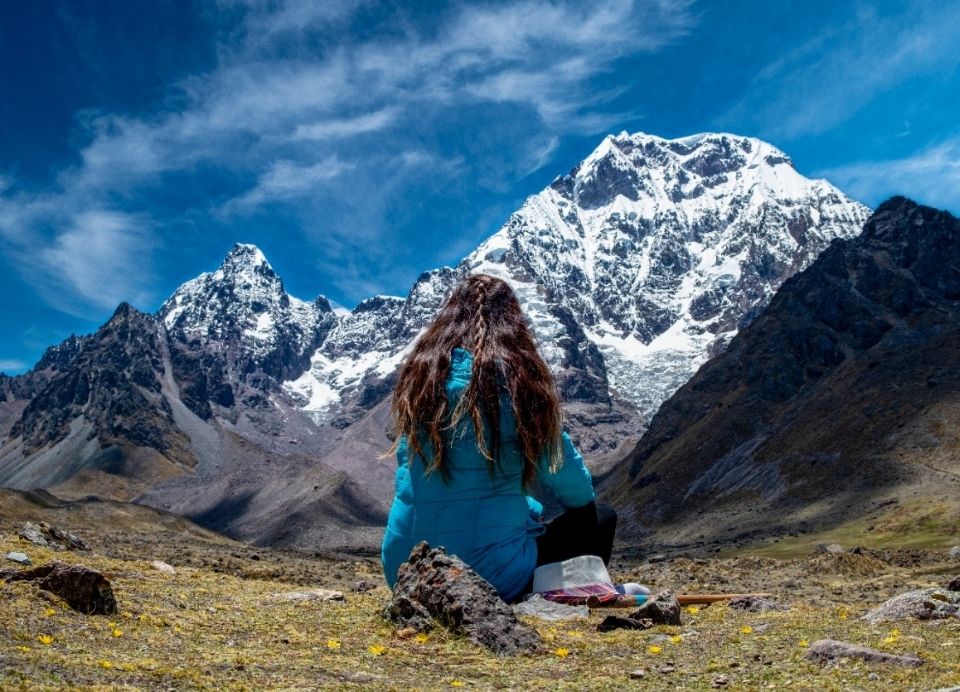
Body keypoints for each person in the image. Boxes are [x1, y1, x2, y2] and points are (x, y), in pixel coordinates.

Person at [380, 273, 617, 603]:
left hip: (406, 573)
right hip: (489, 581)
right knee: (599, 517)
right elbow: (575, 490)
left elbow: (436, 489)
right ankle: (566, 595)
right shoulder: (519, 387)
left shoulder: (421, 386)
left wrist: (525, 509)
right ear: (513, 322)